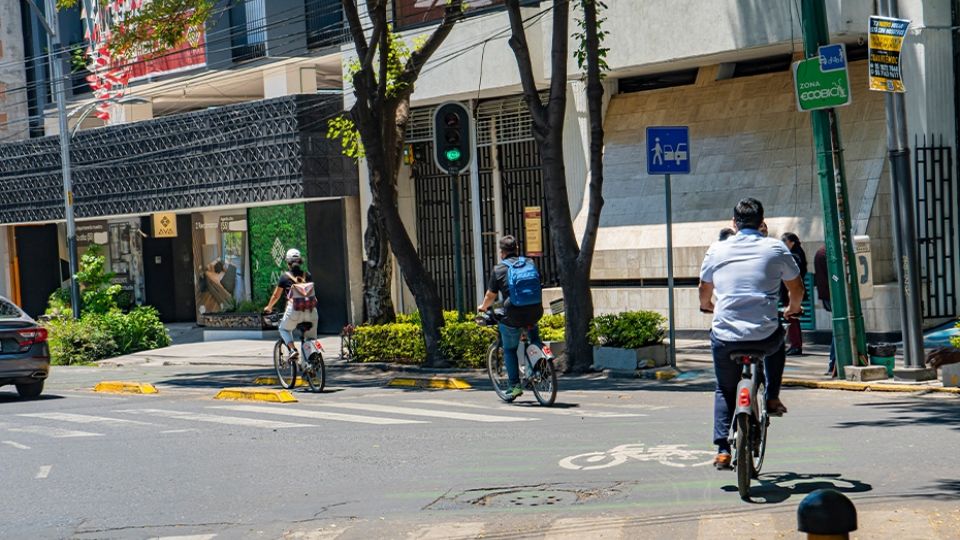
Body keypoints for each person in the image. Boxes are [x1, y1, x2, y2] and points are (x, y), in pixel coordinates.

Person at [698, 198, 804, 470]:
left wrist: (707, 306)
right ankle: (771, 396)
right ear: (761, 223)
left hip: (725, 336)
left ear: (734, 223)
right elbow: (796, 288)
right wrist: (792, 309)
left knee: (724, 387)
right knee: (777, 342)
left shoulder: (717, 249)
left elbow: (704, 289)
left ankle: (722, 449)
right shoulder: (776, 248)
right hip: (763, 334)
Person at [477, 235, 545, 400]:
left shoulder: (499, 269)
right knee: (533, 334)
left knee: (509, 349)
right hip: (536, 309)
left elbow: (490, 295)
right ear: (516, 249)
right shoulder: (529, 263)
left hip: (514, 313)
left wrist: (483, 307)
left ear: (502, 252)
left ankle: (514, 386)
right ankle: (540, 365)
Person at [264, 248, 318, 367]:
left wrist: (269, 307)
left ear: (288, 263)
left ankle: (293, 350)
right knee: (310, 338)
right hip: (312, 311)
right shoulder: (307, 275)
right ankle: (310, 364)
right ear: (300, 262)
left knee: (284, 329)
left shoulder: (285, 277)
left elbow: (276, 295)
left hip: (294, 311)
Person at [780, 232, 808, 356]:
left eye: (784, 242)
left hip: (791, 292)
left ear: (791, 242)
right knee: (792, 318)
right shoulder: (798, 254)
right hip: (791, 291)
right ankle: (795, 344)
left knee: (792, 318)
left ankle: (796, 345)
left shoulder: (794, 256)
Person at [813, 246, 836, 375]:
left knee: (837, 328)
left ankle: (833, 363)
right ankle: (833, 363)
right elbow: (834, 276)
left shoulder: (820, 253)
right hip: (832, 295)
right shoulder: (828, 254)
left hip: (826, 294)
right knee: (839, 329)